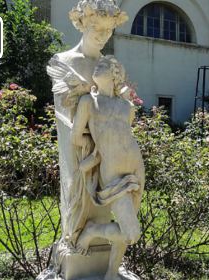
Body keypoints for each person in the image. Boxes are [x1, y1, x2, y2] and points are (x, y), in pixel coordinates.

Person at [71, 55, 145, 280]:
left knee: (128, 224)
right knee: (131, 233)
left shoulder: (125, 105)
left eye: (102, 66)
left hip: (135, 166)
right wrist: (92, 158)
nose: (97, 67)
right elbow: (77, 137)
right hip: (112, 172)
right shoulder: (88, 102)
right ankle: (92, 230)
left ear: (114, 74)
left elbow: (124, 134)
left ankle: (112, 272)